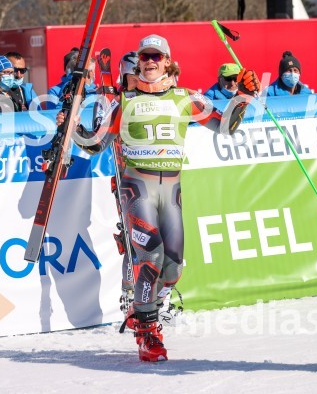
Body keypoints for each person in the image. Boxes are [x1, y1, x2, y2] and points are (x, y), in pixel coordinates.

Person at [60, 34, 260, 362]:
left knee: (173, 267)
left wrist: (244, 96)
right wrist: (72, 128)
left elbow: (225, 127)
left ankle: (148, 307)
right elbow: (96, 143)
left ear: (168, 61)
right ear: (138, 61)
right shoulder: (124, 101)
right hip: (137, 188)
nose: (149, 61)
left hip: (172, 191)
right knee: (150, 256)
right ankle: (147, 331)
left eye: (156, 56)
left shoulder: (186, 98)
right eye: (144, 56)